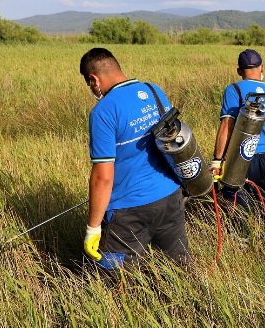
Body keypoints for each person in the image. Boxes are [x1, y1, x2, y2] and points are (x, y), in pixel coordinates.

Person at [79, 47, 189, 269]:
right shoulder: (153, 91)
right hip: (171, 198)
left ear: (94, 79)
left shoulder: (103, 112)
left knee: (112, 278)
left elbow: (103, 177)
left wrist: (93, 228)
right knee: (180, 268)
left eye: (90, 84)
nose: (92, 89)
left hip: (130, 210)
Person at [211, 49, 265, 233]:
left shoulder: (234, 89)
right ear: (262, 68)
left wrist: (218, 160)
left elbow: (227, 125)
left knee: (238, 206)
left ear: (239, 71)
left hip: (242, 158)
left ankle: (242, 246)